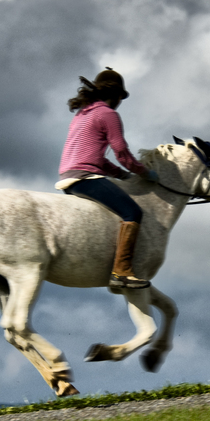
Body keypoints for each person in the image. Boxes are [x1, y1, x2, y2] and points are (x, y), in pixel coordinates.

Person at [56, 68, 159, 290]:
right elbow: (122, 153)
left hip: (69, 176)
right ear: (117, 95)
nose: (121, 102)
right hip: (85, 178)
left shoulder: (83, 113)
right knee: (133, 212)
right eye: (121, 98)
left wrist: (123, 175)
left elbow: (98, 159)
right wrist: (144, 172)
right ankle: (121, 272)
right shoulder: (108, 114)